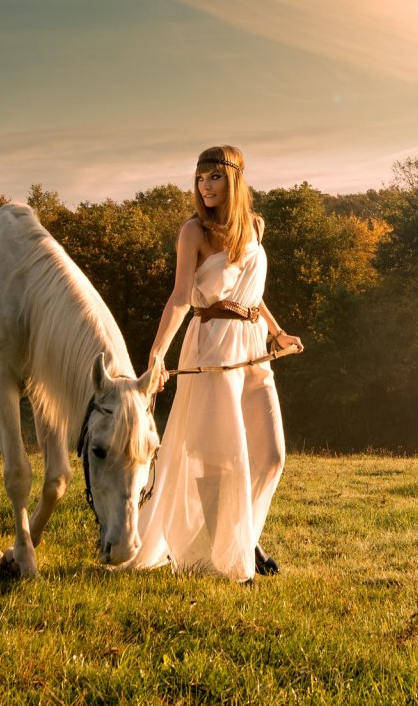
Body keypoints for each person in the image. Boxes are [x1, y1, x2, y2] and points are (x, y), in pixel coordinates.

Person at [125, 145, 304, 581]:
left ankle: (242, 536)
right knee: (215, 458)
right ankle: (231, 561)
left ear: (235, 179)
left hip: (253, 347)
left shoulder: (255, 227)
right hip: (211, 344)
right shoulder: (194, 233)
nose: (205, 186)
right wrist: (157, 354)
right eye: (201, 178)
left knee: (271, 456)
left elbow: (252, 295)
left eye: (215, 177)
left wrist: (277, 332)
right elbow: (181, 297)